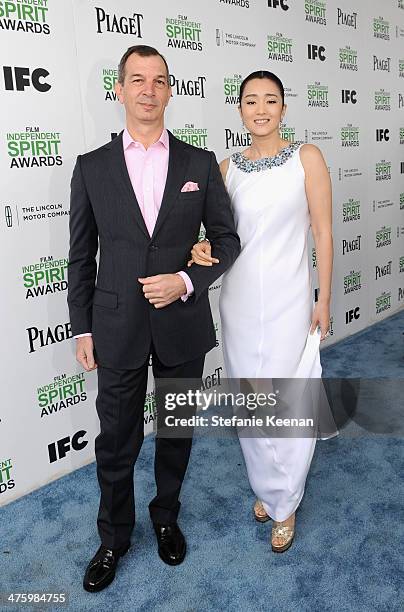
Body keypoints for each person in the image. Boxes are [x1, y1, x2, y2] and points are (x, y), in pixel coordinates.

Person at [67, 44, 240, 592]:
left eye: (159, 80)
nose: (148, 89)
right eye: (137, 80)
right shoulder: (91, 167)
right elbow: (80, 255)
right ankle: (113, 538)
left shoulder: (197, 163)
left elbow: (227, 240)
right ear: (119, 90)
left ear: (170, 90)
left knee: (176, 430)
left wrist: (187, 279)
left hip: (181, 322)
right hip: (114, 324)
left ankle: (166, 516)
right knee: (116, 439)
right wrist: (83, 326)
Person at [188, 70, 333, 553]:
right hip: (240, 301)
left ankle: (286, 499)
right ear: (240, 111)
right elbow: (220, 237)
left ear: (284, 108)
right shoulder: (226, 169)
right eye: (251, 101)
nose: (261, 108)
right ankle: (269, 489)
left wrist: (324, 297)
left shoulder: (307, 157)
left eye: (271, 100)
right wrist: (203, 248)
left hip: (292, 297)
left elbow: (324, 233)